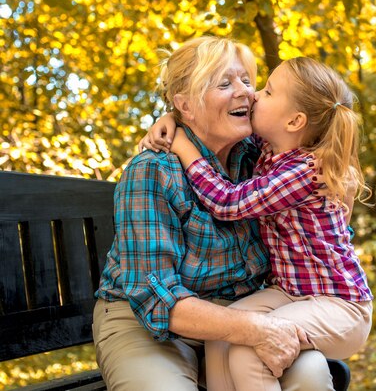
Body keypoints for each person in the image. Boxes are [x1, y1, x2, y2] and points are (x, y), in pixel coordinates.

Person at [93, 36, 335, 391]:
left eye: (248, 81)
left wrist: (172, 117)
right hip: (150, 323)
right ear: (186, 105)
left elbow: (325, 119)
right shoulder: (153, 171)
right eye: (224, 83)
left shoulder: (263, 156)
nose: (247, 94)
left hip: (241, 314)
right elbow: (153, 293)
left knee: (310, 373)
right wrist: (255, 329)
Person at [142, 56, 373, 391]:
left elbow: (227, 202)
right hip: (290, 293)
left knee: (249, 352)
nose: (253, 96)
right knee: (221, 336)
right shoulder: (270, 151)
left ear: (294, 121)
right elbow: (208, 121)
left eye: (267, 91)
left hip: (339, 305)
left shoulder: (305, 170)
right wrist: (173, 118)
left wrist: (181, 144)